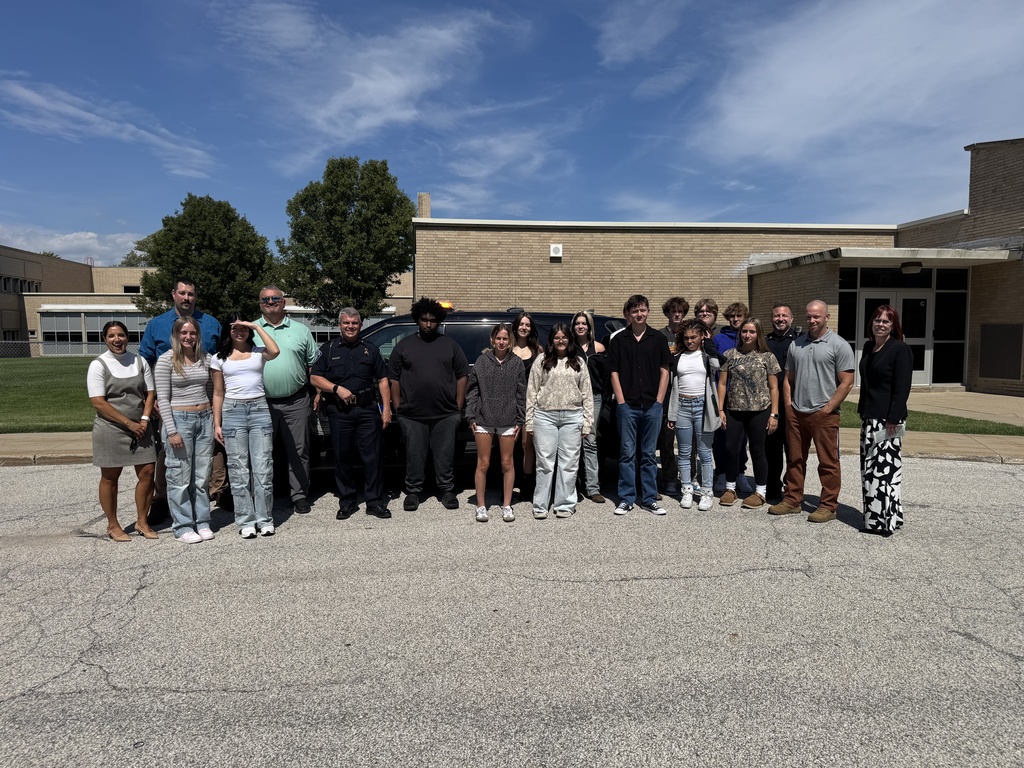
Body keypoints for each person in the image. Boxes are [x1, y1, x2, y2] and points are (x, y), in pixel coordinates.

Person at [138, 277, 224, 517]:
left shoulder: (211, 324)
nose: (187, 298)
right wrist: (151, 397)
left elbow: (217, 365)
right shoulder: (157, 325)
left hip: (205, 405)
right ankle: (164, 499)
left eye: (191, 294)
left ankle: (214, 494)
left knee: (208, 455)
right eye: (182, 293)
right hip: (169, 402)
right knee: (171, 456)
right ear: (173, 294)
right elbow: (145, 362)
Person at [769, 300, 855, 523]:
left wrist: (828, 408)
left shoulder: (839, 345)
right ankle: (792, 500)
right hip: (797, 413)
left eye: (817, 316)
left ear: (827, 317)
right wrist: (788, 406)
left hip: (824, 414)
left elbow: (846, 382)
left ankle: (828, 506)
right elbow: (788, 379)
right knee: (795, 459)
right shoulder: (796, 345)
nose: (812, 320)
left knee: (828, 462)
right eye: (809, 316)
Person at [310, 308, 393, 520]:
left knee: (372, 457)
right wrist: (336, 389)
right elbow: (315, 378)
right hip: (339, 412)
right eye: (346, 323)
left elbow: (383, 380)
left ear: (360, 325)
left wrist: (386, 409)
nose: (350, 326)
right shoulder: (328, 350)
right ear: (339, 325)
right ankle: (347, 500)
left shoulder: (371, 350)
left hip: (367, 410)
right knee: (342, 457)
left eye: (354, 323)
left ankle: (374, 501)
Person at [389, 297, 469, 511]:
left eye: (432, 320)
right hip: (412, 415)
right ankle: (413, 492)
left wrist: (458, 407)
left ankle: (447, 490)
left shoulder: (450, 345)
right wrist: (398, 407)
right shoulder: (404, 346)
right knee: (414, 456)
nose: (428, 324)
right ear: (418, 320)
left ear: (438, 321)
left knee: (445, 456)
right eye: (424, 319)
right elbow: (393, 377)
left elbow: (463, 375)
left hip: (445, 414)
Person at [87, 321, 158, 541]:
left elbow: (150, 393)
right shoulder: (98, 365)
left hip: (141, 427)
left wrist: (144, 420)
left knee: (147, 473)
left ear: (128, 338)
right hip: (110, 428)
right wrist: (129, 424)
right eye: (111, 336)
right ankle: (113, 525)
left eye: (121, 335)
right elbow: (99, 402)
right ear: (104, 339)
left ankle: (142, 521)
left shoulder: (139, 361)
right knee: (110, 477)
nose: (117, 340)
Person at [212, 314, 281, 538]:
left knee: (263, 468)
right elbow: (218, 392)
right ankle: (245, 521)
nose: (239, 332)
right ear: (228, 331)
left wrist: (255, 326)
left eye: (243, 328)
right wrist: (217, 423)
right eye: (234, 328)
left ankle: (265, 519)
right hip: (233, 411)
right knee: (239, 470)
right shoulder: (219, 358)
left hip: (259, 409)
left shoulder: (258, 352)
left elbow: (276, 351)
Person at [256, 285, 318, 515]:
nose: (270, 302)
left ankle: (299, 494)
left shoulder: (301, 331)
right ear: (260, 303)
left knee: (299, 451)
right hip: (260, 403)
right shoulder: (252, 329)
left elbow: (313, 364)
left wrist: (318, 392)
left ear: (283, 302)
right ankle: (263, 496)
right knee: (261, 452)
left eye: (275, 298)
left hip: (296, 401)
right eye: (265, 299)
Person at [608, 294, 671, 516]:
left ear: (647, 311)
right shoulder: (618, 340)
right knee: (626, 454)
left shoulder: (658, 339)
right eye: (635, 311)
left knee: (648, 455)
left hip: (652, 405)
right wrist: (622, 401)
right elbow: (613, 372)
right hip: (628, 407)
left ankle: (650, 498)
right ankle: (626, 498)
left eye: (643, 310)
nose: (639, 314)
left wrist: (659, 401)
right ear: (628, 314)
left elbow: (665, 371)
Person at [154, 317, 215, 543]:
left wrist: (213, 420)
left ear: (198, 335)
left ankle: (203, 521)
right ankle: (182, 526)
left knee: (201, 476)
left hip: (204, 418)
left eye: (192, 333)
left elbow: (210, 391)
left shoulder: (205, 359)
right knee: (179, 476)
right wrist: (171, 431)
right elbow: (163, 398)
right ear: (176, 335)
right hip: (179, 420)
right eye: (184, 333)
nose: (188, 337)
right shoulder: (166, 361)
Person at [526, 323, 593, 519]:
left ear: (569, 340)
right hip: (545, 416)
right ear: (552, 340)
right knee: (545, 463)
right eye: (557, 337)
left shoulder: (579, 362)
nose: (561, 340)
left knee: (569, 463)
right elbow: (532, 392)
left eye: (564, 337)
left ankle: (564, 504)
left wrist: (587, 422)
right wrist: (529, 421)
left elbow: (587, 394)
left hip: (572, 417)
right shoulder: (542, 361)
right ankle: (540, 504)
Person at [858, 305, 913, 536]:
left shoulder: (900, 350)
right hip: (869, 417)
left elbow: (902, 388)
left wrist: (893, 419)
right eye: (877, 320)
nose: (880, 324)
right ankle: (884, 517)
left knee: (885, 472)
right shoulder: (870, 347)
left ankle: (884, 523)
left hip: (888, 420)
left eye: (886, 321)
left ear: (893, 326)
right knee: (870, 470)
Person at [716, 319, 781, 509]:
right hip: (734, 410)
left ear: (758, 334)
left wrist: (774, 414)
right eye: (744, 331)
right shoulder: (730, 355)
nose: (747, 335)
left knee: (757, 450)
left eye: (752, 332)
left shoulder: (767, 356)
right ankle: (730, 488)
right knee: (730, 449)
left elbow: (774, 387)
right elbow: (721, 384)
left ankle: (760, 491)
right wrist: (720, 409)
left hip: (760, 410)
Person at [465, 323, 526, 523]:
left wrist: (520, 418)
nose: (501, 342)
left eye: (505, 339)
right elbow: (472, 391)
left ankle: (507, 505)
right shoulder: (482, 362)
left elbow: (521, 393)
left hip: (508, 420)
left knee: (507, 463)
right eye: (498, 338)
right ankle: (481, 506)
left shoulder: (516, 363)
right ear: (492, 340)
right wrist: (471, 416)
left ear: (510, 341)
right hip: (484, 419)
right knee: (483, 463)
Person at [666, 319, 720, 512]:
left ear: (701, 337)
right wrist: (672, 414)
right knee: (684, 452)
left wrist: (709, 343)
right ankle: (687, 489)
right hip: (682, 406)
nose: (690, 341)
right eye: (687, 338)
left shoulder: (706, 356)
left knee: (705, 453)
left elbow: (719, 366)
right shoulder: (678, 357)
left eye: (694, 337)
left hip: (702, 407)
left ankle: (706, 492)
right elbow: (674, 386)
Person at [765, 303, 799, 501]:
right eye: (777, 315)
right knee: (771, 447)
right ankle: (772, 487)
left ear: (791, 318)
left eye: (784, 315)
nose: (780, 319)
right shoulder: (765, 342)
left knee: (793, 448)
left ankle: (792, 486)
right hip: (770, 402)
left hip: (793, 402)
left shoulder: (800, 341)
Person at [571, 310, 606, 503]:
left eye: (584, 323)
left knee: (590, 440)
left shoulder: (598, 348)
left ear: (589, 326)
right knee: (573, 442)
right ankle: (573, 486)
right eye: (577, 323)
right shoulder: (569, 348)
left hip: (594, 398)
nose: (580, 326)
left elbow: (605, 374)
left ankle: (593, 488)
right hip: (573, 399)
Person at [657, 297, 689, 497]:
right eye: (673, 311)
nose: (676, 315)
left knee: (688, 441)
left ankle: (689, 478)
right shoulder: (660, 336)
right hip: (667, 393)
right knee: (666, 440)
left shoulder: (690, 335)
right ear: (667, 313)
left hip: (687, 392)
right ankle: (669, 479)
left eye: (680, 311)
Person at [511, 311, 543, 496]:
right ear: (515, 326)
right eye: (521, 324)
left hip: (531, 403)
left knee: (526, 444)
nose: (524, 328)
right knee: (508, 444)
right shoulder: (507, 349)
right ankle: (508, 482)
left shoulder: (538, 350)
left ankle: (527, 483)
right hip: (509, 403)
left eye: (527, 325)